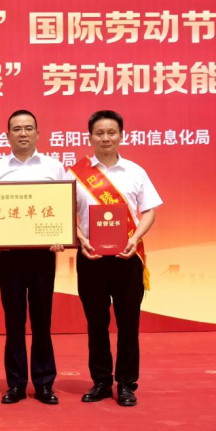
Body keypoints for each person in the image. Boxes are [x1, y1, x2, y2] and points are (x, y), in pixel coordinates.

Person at [69, 110, 162, 407]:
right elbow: (64, 214)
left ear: (121, 135)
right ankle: (100, 381)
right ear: (90, 137)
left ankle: (126, 383)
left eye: (111, 132)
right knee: (96, 323)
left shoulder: (135, 171)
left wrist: (135, 239)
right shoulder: (76, 174)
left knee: (128, 324)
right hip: (91, 257)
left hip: (127, 257)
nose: (105, 138)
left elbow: (149, 211)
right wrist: (80, 239)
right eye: (99, 133)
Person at [0, 110, 68, 405]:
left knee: (42, 320)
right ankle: (16, 384)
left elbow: (64, 207)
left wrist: (61, 234)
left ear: (38, 133)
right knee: (14, 321)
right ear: (7, 135)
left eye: (28, 128)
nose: (23, 133)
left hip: (43, 255)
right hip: (9, 256)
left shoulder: (54, 167)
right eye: (17, 129)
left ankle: (44, 384)